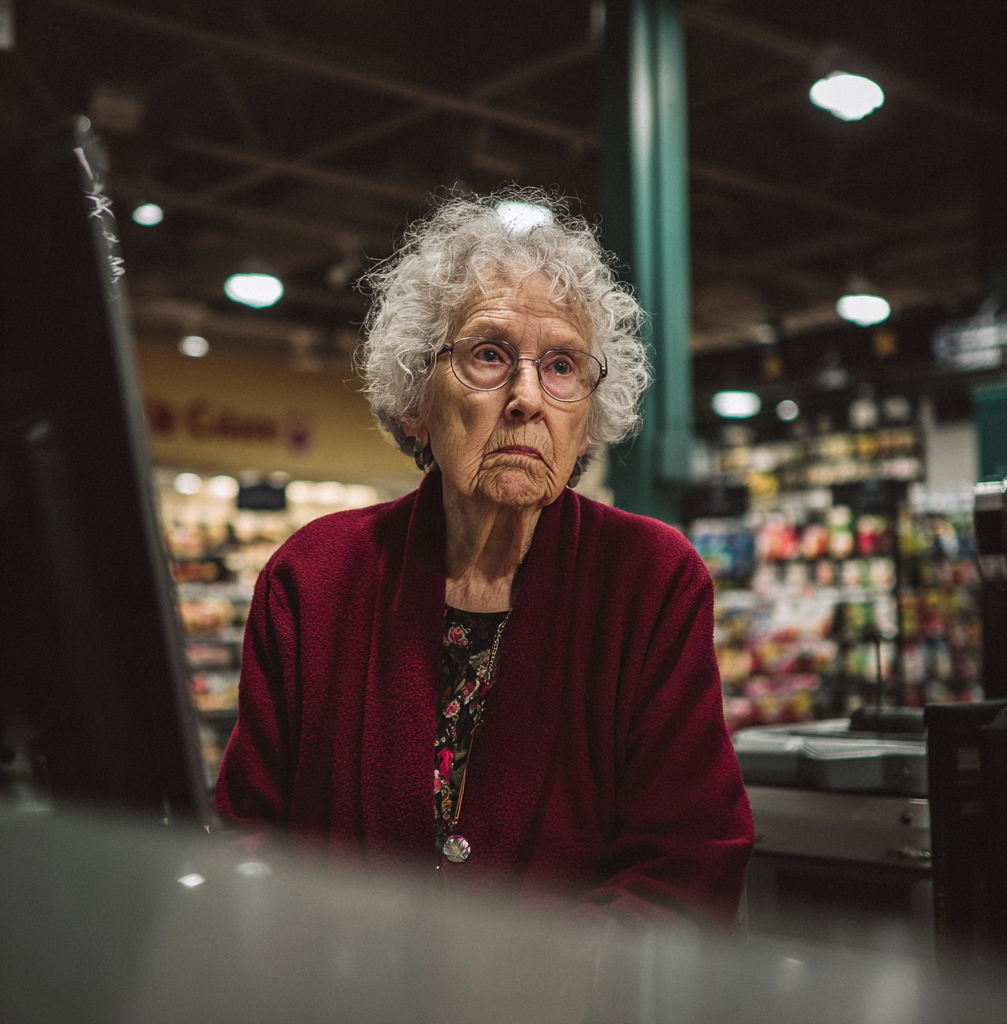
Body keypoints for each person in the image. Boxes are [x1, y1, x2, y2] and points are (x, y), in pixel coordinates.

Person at [215, 190, 754, 927]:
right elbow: (246, 836)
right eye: (489, 355)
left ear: (587, 411)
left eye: (562, 365)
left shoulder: (650, 580)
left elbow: (689, 864)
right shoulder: (315, 577)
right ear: (415, 400)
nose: (528, 397)